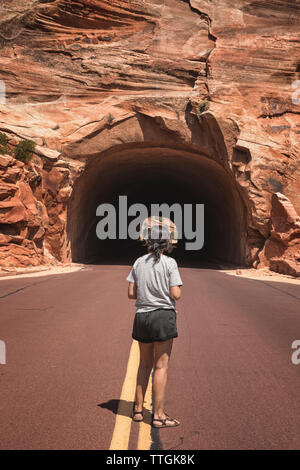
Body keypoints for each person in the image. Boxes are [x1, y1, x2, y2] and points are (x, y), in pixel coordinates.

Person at [126, 223, 183, 428]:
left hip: (141, 317)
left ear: (148, 242)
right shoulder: (170, 263)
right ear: (167, 243)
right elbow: (176, 294)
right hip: (162, 316)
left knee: (143, 365)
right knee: (161, 367)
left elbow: (131, 293)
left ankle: (138, 411)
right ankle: (158, 416)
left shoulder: (138, 262)